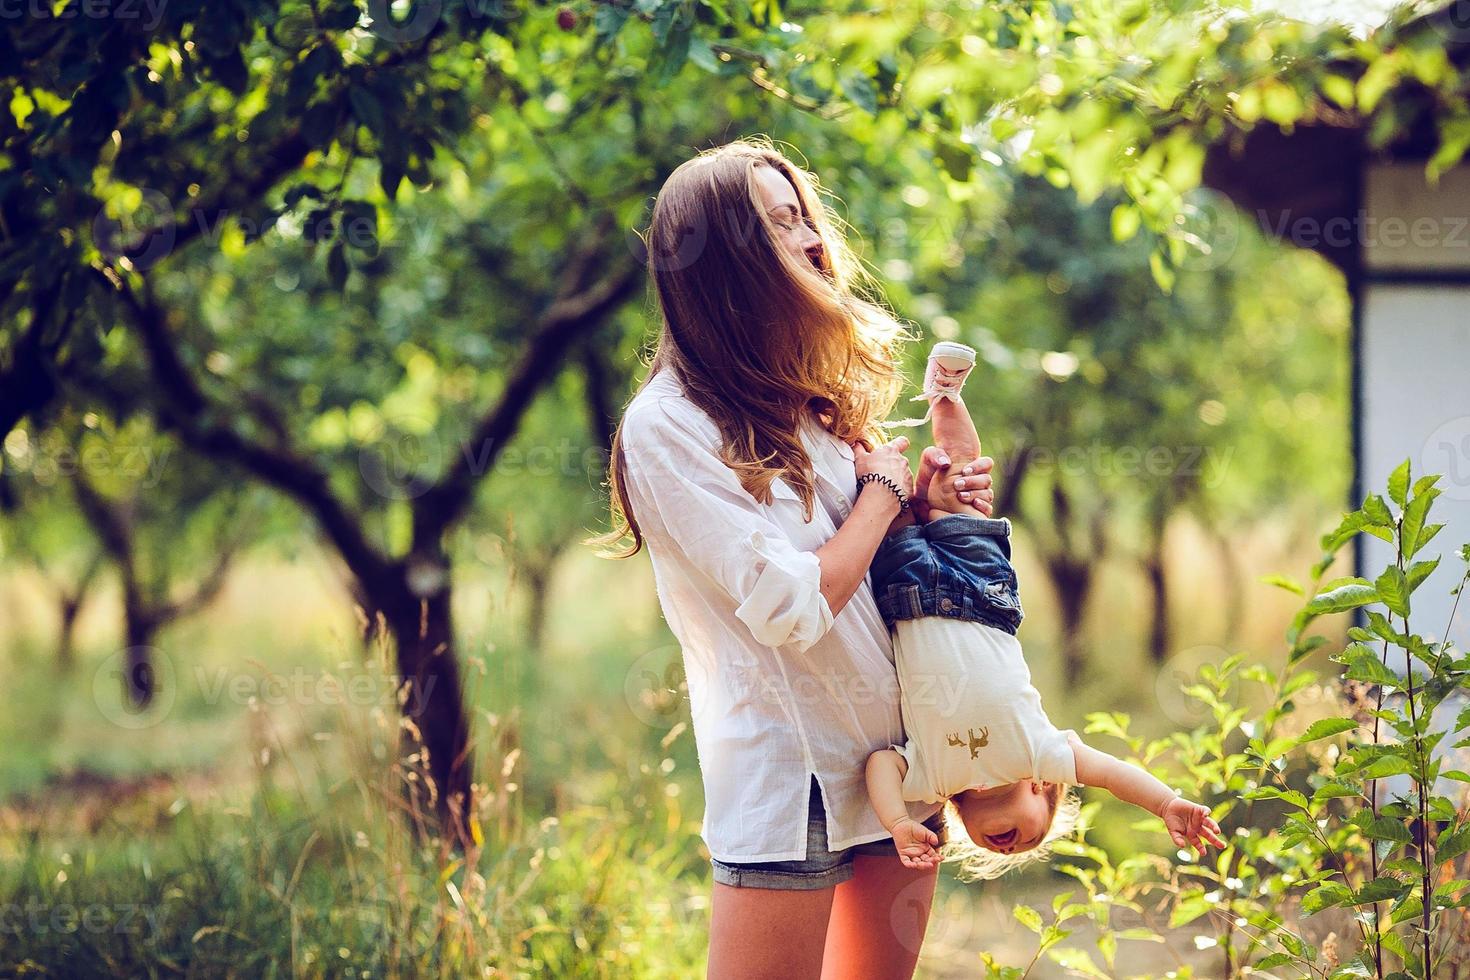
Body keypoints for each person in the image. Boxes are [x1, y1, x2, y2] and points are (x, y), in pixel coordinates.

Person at [590, 137, 996, 979]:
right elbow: (790, 610)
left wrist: (925, 505)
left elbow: (864, 572)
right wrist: (884, 492)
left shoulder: (811, 399)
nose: (813, 242)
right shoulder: (669, 426)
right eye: (780, 227)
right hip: (793, 777)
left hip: (896, 765)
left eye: (805, 219)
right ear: (725, 260)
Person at [863, 342, 1227, 881]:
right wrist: (1166, 804)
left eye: (999, 853)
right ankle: (945, 392)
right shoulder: (1037, 755)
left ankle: (851, 410)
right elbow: (1110, 772)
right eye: (1033, 836)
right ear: (1042, 791)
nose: (1011, 848)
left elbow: (878, 765)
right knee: (959, 479)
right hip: (983, 595)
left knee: (877, 483)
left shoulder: (932, 782)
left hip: (906, 599)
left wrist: (897, 821)